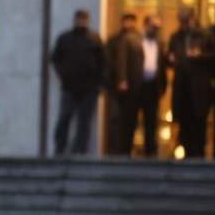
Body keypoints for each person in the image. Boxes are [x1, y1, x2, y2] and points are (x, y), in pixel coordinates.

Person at [50, 9, 106, 156]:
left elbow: (103, 62)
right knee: (64, 118)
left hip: (89, 89)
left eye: (84, 19)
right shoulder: (65, 38)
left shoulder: (95, 39)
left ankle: (80, 151)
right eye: (79, 19)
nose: (82, 22)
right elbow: (55, 58)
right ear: (75, 20)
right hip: (69, 87)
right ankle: (60, 148)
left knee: (84, 123)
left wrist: (99, 84)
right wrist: (63, 75)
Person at [168, 7, 215, 159]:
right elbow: (169, 56)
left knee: (199, 123)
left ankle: (199, 155)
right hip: (182, 88)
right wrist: (170, 58)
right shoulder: (176, 37)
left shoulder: (205, 35)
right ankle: (187, 154)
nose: (185, 23)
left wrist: (200, 56)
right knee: (184, 123)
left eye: (186, 19)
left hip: (200, 88)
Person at [125, 14, 168, 156]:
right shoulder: (133, 40)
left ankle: (151, 153)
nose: (156, 30)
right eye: (153, 26)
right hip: (137, 86)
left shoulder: (160, 43)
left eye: (158, 27)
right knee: (130, 120)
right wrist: (123, 80)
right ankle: (126, 151)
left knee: (151, 121)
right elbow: (124, 62)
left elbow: (162, 64)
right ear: (146, 25)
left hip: (152, 87)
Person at [105, 12, 143, 156]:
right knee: (115, 119)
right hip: (115, 87)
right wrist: (118, 80)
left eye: (131, 22)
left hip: (134, 88)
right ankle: (115, 149)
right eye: (127, 21)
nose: (129, 25)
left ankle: (127, 148)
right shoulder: (114, 40)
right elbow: (109, 62)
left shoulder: (139, 39)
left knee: (130, 120)